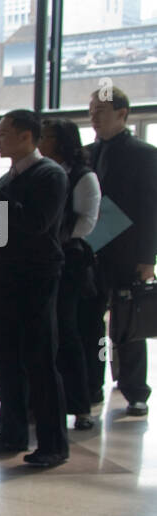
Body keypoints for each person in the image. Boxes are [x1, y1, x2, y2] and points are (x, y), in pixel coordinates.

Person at [0, 110, 71, 467]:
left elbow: (35, 224)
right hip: (6, 280)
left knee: (40, 361)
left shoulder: (50, 176)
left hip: (37, 279)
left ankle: (53, 443)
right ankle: (11, 433)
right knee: (6, 362)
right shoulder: (8, 180)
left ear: (26, 136)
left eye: (4, 134)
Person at [87, 85, 157, 416]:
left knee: (127, 324)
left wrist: (147, 259)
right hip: (90, 254)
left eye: (100, 112)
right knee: (88, 322)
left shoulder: (144, 154)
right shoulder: (86, 154)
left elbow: (150, 210)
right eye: (90, 112)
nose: (94, 118)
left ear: (122, 113)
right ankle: (90, 386)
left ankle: (135, 389)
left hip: (127, 253)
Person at [41, 118, 101, 430]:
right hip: (41, 260)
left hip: (69, 261)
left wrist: (52, 234)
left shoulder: (82, 176)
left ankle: (80, 405)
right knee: (43, 336)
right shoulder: (37, 172)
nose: (41, 140)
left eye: (47, 136)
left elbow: (87, 222)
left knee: (68, 332)